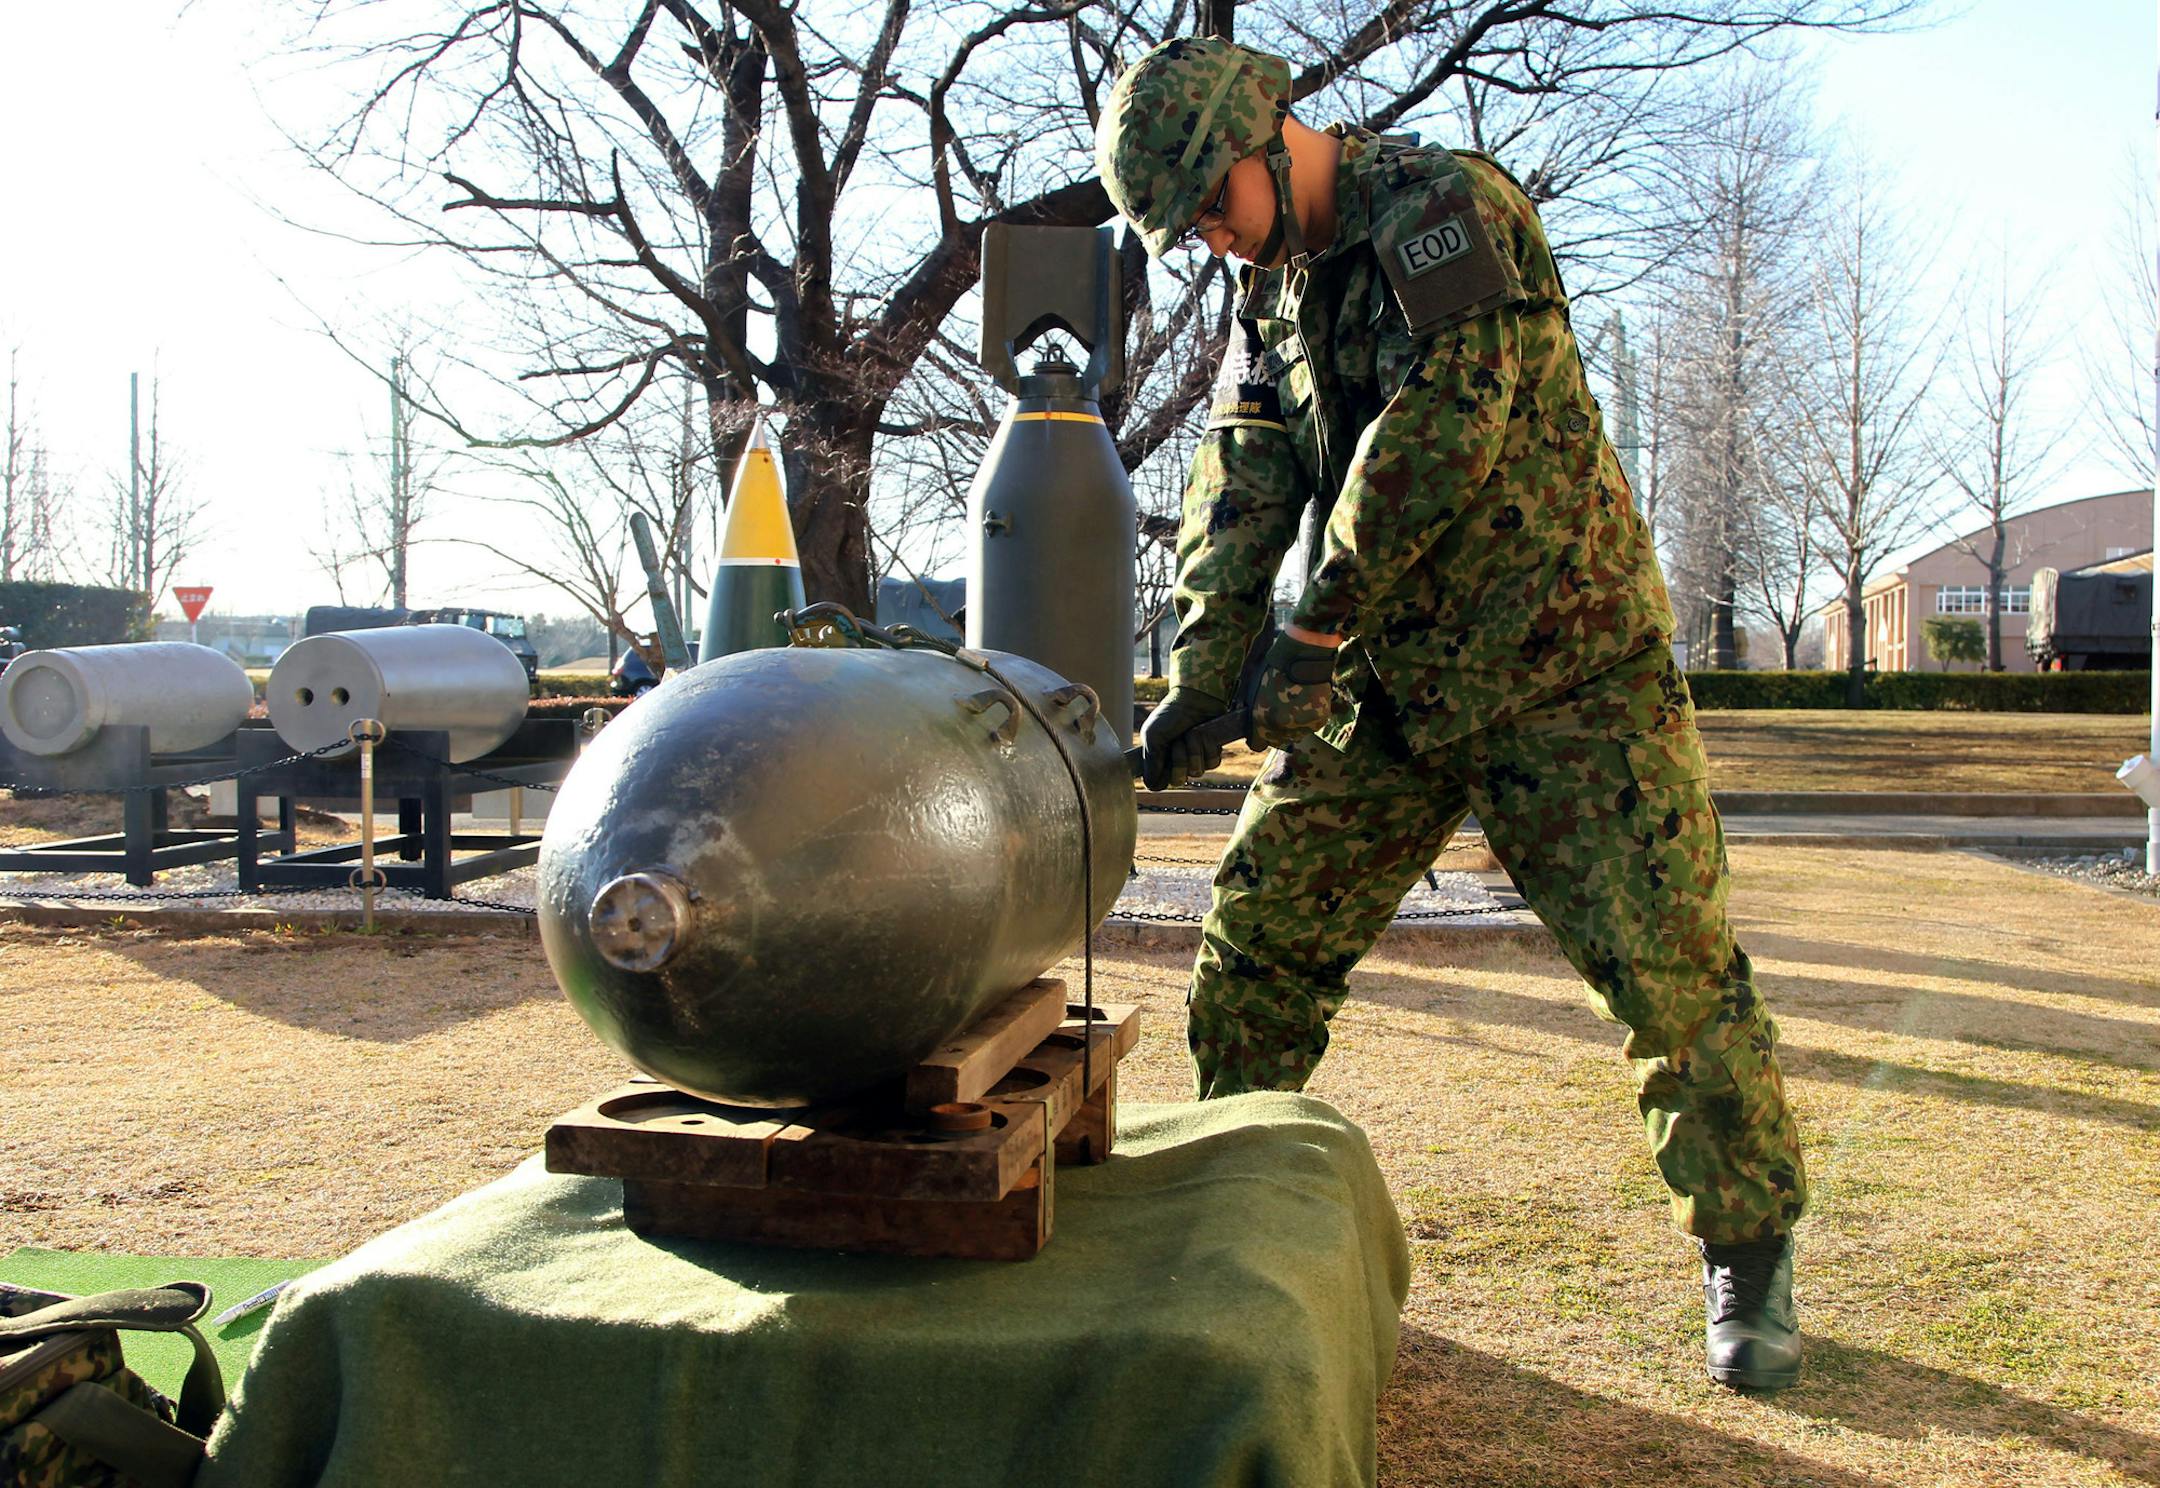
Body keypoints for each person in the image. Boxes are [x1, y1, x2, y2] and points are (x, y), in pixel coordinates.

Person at [1095, 36, 1809, 1391]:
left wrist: (1313, 624)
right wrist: (1206, 665)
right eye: (1185, 227)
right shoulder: (1270, 295)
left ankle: (1750, 1249)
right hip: (1393, 683)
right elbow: (1244, 471)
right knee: (1253, 949)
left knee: (1671, 974)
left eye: (1211, 204)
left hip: (1563, 667)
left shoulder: (1445, 211)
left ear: (1266, 137)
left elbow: (1448, 423)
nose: (1210, 239)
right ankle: (1243, 1225)